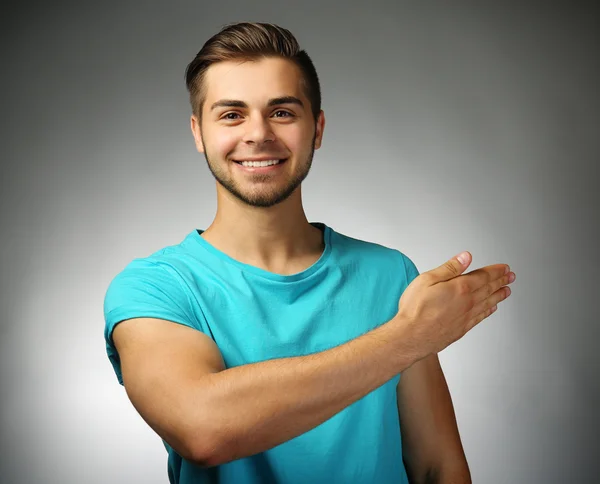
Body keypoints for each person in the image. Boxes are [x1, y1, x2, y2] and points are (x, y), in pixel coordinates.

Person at [103, 22, 515, 484]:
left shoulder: (392, 275)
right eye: (232, 115)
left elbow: (438, 467)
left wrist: (412, 332)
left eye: (281, 112)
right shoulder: (155, 288)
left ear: (316, 128)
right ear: (199, 132)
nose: (258, 134)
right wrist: (408, 337)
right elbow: (202, 429)